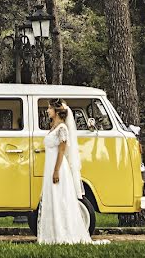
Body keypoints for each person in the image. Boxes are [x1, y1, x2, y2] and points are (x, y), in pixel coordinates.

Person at [37, 99, 107, 245]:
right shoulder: (54, 127)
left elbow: (62, 152)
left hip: (58, 168)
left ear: (56, 111)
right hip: (50, 166)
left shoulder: (62, 128)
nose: (47, 111)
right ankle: (53, 234)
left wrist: (56, 171)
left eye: (49, 108)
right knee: (52, 199)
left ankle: (63, 234)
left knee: (60, 199)